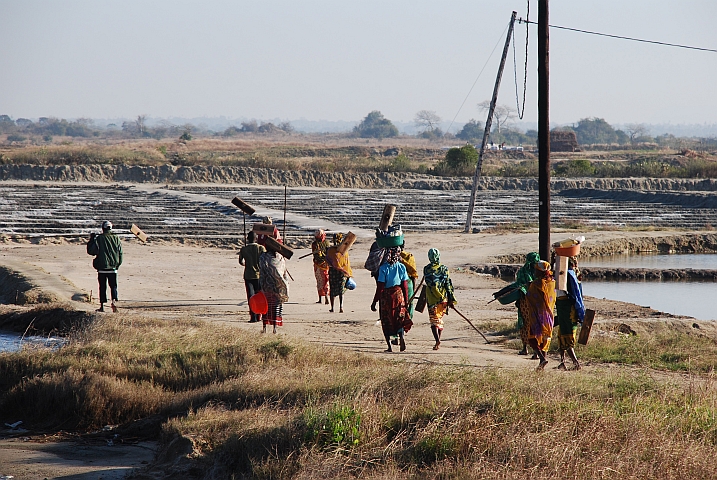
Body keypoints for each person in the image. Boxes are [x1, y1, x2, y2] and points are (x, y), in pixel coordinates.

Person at [372, 246, 411, 352]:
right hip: (399, 295)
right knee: (399, 318)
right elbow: (405, 286)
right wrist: (406, 301)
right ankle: (401, 336)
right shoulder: (402, 267)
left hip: (386, 297)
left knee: (386, 320)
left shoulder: (383, 268)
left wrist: (374, 301)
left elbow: (380, 287)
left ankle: (389, 346)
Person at [519, 260, 556, 371]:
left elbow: (530, 297)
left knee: (533, 338)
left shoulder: (536, 284)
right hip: (549, 315)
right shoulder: (552, 282)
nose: (534, 272)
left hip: (538, 315)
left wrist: (528, 287)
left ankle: (541, 358)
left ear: (540, 271)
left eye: (536, 270)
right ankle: (542, 360)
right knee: (546, 337)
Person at [554, 256, 585, 371]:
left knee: (568, 335)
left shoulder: (569, 274)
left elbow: (575, 295)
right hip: (562, 307)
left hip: (568, 308)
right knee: (562, 333)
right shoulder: (563, 274)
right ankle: (562, 362)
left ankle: (576, 363)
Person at [423, 248, 456, 350]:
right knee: (439, 319)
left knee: (434, 320)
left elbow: (429, 283)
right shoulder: (444, 269)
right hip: (443, 297)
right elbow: (448, 284)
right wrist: (451, 298)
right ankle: (438, 340)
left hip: (432, 298)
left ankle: (437, 340)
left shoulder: (426, 269)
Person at [86, 220, 123, 313]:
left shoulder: (99, 239)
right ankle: (115, 305)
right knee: (113, 286)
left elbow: (91, 251)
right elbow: (120, 253)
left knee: (102, 287)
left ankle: (102, 306)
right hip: (113, 268)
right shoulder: (116, 238)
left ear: (103, 228)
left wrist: (92, 239)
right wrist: (118, 264)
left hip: (102, 267)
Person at [514, 252, 541, 355]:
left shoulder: (522, 272)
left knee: (526, 323)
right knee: (531, 323)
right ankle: (533, 350)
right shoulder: (537, 272)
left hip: (524, 301)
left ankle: (527, 348)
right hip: (531, 301)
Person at [258, 248, 290, 334]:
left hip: (266, 286)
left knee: (265, 307)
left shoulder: (263, 257)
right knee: (276, 306)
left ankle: (264, 328)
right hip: (278, 287)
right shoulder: (280, 258)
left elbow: (261, 273)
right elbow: (284, 272)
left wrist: (260, 285)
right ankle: (274, 328)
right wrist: (285, 284)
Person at [239, 231, 266, 323]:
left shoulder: (244, 249)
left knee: (251, 296)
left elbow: (240, 261)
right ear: (256, 238)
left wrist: (246, 264)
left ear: (247, 239)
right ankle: (260, 315)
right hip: (259, 275)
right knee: (260, 295)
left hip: (248, 275)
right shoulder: (261, 248)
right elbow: (265, 259)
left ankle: (253, 316)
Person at [326, 233, 353, 313]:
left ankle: (333, 307)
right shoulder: (344, 251)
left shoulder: (331, 250)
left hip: (334, 272)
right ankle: (340, 307)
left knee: (333, 290)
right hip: (341, 273)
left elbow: (327, 260)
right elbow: (346, 263)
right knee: (340, 290)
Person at [399, 241, 419, 320]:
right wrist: (414, 289)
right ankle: (408, 320)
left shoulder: (394, 257)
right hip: (409, 283)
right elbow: (414, 276)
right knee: (409, 303)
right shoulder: (409, 257)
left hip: (397, 284)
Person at [311, 229, 331, 305]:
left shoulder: (317, 243)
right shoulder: (317, 244)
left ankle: (322, 297)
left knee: (321, 281)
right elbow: (316, 254)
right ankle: (324, 296)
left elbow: (326, 253)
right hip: (324, 264)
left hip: (320, 265)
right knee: (324, 280)